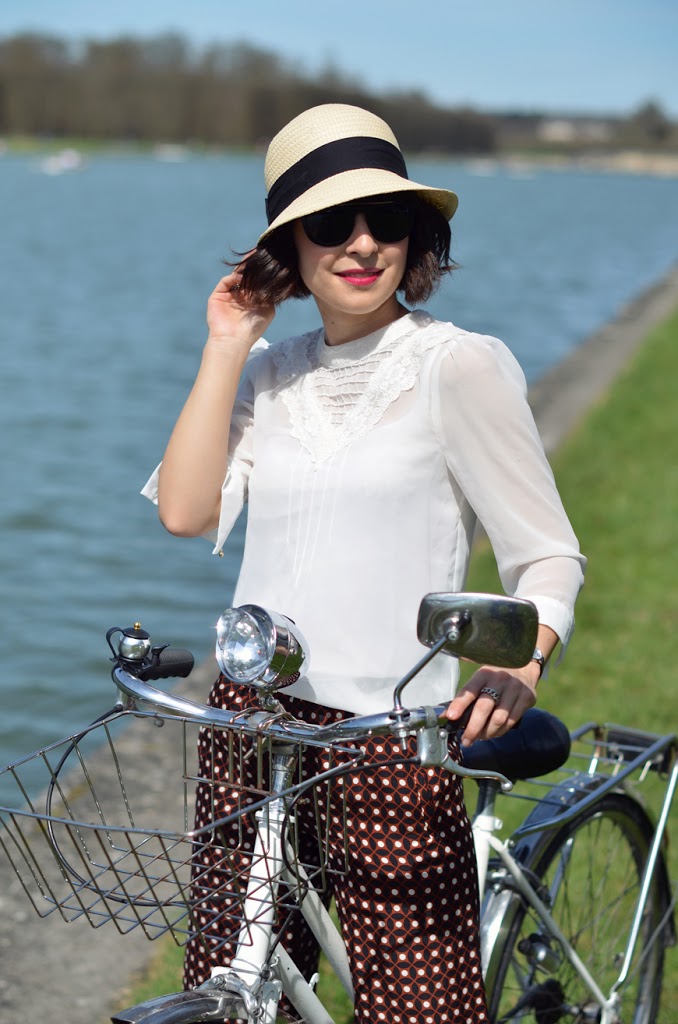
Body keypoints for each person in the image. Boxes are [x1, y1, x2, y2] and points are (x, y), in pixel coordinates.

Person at [142, 103, 585, 1023]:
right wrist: (227, 343)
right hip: (252, 725)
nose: (362, 243)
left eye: (386, 220)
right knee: (233, 991)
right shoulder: (269, 372)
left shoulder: (455, 365)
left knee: (417, 1012)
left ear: (414, 235)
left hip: (392, 735)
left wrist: (521, 657)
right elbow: (186, 511)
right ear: (288, 247)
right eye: (329, 224)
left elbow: (546, 554)